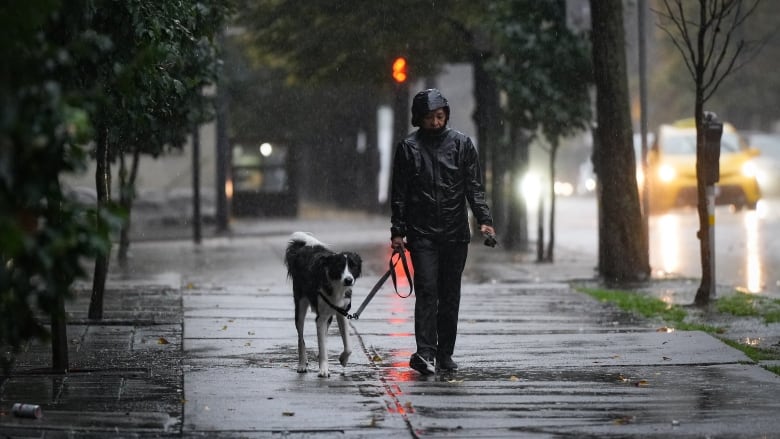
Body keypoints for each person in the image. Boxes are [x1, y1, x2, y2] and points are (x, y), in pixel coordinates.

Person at [390, 88, 495, 375]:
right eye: (429, 118)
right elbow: (399, 193)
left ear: (446, 114)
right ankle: (425, 352)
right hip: (422, 233)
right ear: (418, 119)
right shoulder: (408, 148)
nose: (435, 122)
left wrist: (484, 219)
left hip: (455, 233)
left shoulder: (462, 145)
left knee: (450, 295)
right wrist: (397, 232)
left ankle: (445, 352)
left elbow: (473, 186)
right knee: (426, 290)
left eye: (439, 116)